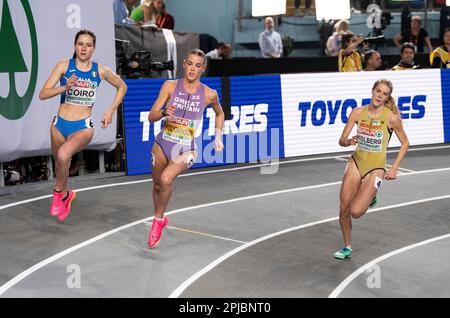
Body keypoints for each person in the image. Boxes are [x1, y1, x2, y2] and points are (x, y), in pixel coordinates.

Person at [39, 30, 127, 221]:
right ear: (75, 46)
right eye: (80, 44)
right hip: (59, 124)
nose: (84, 48)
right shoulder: (64, 66)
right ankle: (66, 194)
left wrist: (110, 111)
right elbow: (43, 94)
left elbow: (122, 86)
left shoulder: (99, 70)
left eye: (88, 45)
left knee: (63, 155)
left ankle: (57, 194)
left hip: (82, 126)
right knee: (61, 163)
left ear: (93, 48)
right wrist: (64, 87)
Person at [146, 49, 224, 248]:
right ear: (184, 64)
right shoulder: (170, 86)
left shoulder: (209, 94)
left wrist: (217, 137)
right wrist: (164, 112)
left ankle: (157, 221)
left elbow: (219, 113)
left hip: (186, 148)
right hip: (163, 143)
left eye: (198, 66)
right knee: (157, 185)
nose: (193, 69)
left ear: (203, 69)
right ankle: (161, 219)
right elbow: (151, 115)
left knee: (166, 179)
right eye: (190, 64)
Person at [333, 79, 409, 259]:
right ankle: (347, 246)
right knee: (344, 208)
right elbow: (341, 140)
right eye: (378, 91)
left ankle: (370, 196)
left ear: (386, 98)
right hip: (357, 161)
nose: (380, 96)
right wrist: (348, 141)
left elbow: (405, 143)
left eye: (384, 94)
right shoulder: (357, 112)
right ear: (372, 91)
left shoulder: (391, 118)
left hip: (376, 167)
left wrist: (394, 168)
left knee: (356, 212)